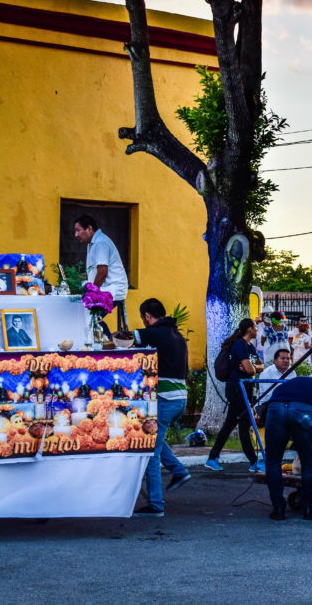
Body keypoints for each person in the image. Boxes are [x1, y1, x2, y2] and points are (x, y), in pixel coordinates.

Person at [131, 298, 190, 517]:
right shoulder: (177, 335)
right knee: (157, 439)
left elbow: (124, 339)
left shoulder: (155, 332)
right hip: (179, 398)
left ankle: (155, 504)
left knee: (150, 453)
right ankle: (178, 470)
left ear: (147, 316)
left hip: (165, 399)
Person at [263, 375, 312, 521]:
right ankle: (308, 508)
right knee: (308, 462)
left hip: (276, 407)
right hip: (305, 411)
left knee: (273, 461)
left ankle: (278, 508)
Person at [205, 319, 263, 472]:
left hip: (246, 389)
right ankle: (253, 461)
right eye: (255, 327)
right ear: (249, 329)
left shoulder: (250, 347)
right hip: (237, 388)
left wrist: (254, 367)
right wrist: (253, 368)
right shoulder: (240, 345)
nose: (257, 330)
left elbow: (258, 366)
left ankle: (212, 457)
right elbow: (249, 370)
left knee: (230, 424)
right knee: (244, 424)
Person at [72, 214, 129, 333]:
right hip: (105, 288)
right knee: (85, 315)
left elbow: (102, 272)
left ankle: (107, 342)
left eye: (78, 230)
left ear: (89, 229)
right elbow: (94, 272)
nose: (76, 235)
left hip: (112, 289)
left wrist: (92, 293)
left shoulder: (100, 243)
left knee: (91, 318)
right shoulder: (93, 242)